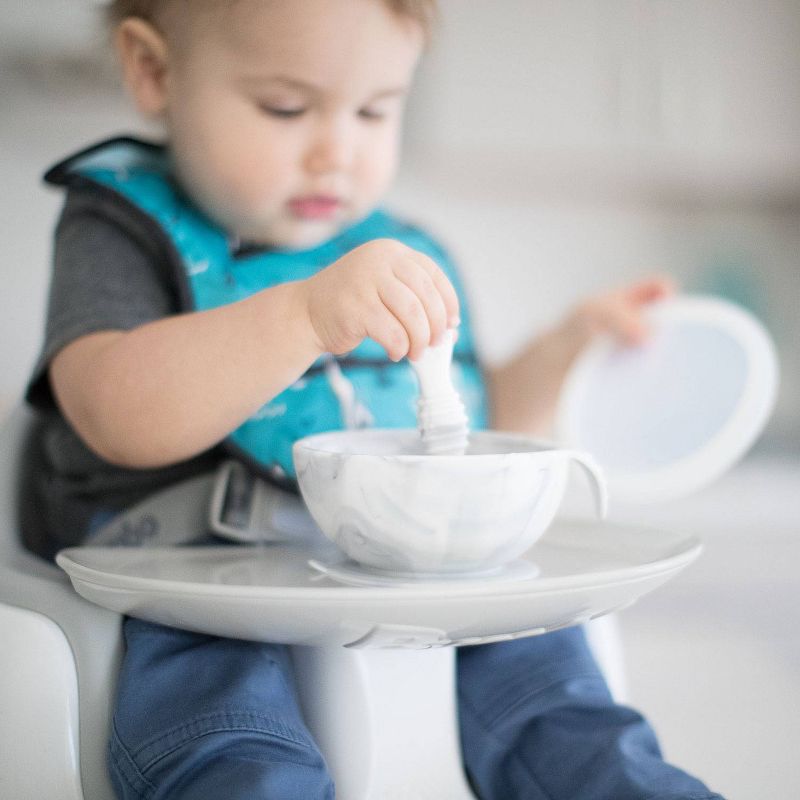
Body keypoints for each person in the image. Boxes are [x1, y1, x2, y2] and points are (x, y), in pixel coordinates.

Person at [23, 1, 725, 798]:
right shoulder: (121, 227)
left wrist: (571, 352)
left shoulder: (396, 249)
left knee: (552, 685)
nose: (337, 152)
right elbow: (115, 416)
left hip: (397, 562)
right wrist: (299, 314)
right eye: (286, 107)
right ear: (154, 72)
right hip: (189, 571)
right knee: (229, 732)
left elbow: (471, 419)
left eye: (375, 110)